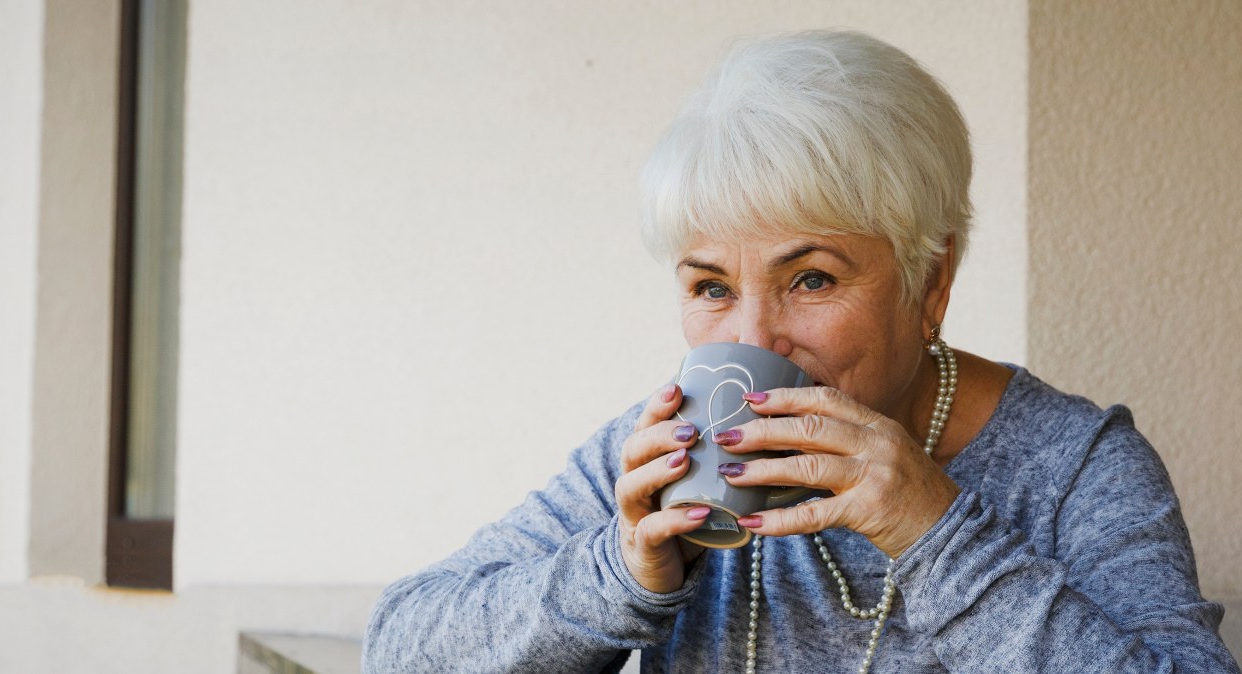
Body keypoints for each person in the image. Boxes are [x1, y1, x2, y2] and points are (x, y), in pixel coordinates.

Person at [362, 30, 1239, 673]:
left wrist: (931, 532)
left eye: (811, 279)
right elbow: (399, 645)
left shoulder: (1074, 468)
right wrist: (619, 575)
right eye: (711, 286)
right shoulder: (663, 457)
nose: (751, 339)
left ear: (931, 282)